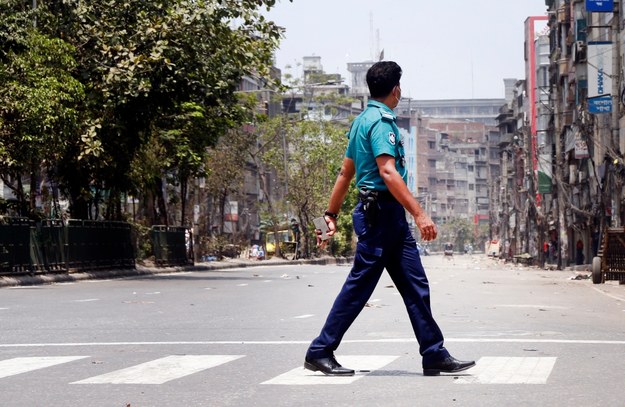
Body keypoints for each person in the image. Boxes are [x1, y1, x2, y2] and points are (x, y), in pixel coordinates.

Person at [304, 61, 475, 377]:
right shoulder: (382, 122)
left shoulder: (360, 121)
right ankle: (320, 350)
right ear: (396, 89)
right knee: (359, 288)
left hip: (387, 216)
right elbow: (387, 171)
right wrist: (420, 214)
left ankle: (434, 353)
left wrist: (327, 217)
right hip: (379, 216)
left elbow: (345, 173)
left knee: (415, 284)